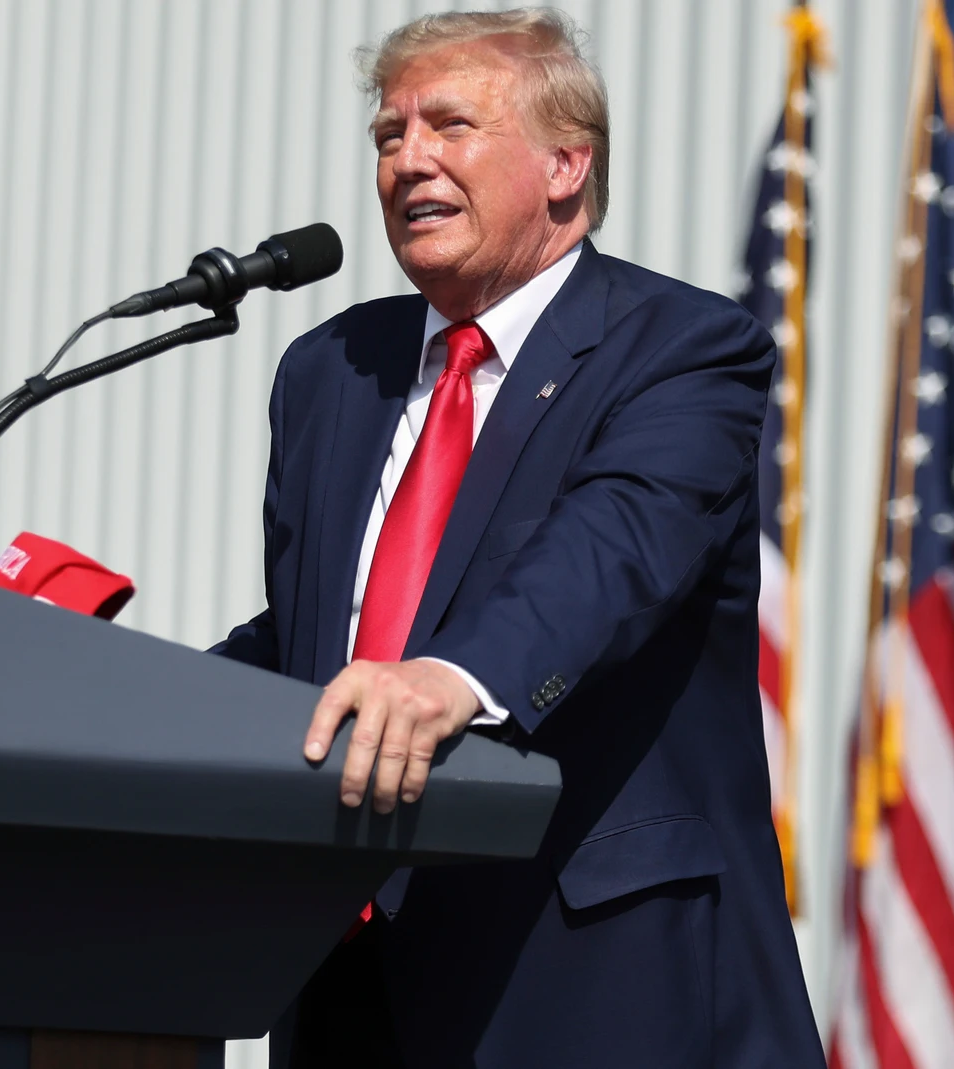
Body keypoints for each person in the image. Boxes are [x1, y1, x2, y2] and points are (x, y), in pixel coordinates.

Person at [210, 8, 823, 1067]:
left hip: (588, 974)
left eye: (449, 126)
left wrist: (454, 675)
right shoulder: (328, 371)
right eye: (388, 136)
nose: (409, 161)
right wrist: (106, 678)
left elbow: (613, 551)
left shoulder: (681, 349)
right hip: (343, 976)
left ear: (564, 166)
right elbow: (332, 628)